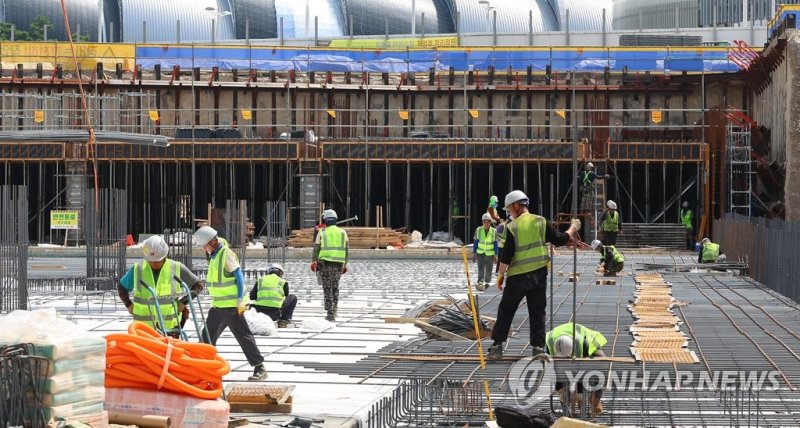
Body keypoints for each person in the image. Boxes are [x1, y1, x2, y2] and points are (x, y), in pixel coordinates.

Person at [488, 190, 580, 359]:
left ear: (516, 206)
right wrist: (573, 228)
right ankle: (538, 348)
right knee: (537, 312)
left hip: (517, 278)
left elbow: (506, 255)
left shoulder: (513, 227)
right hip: (538, 276)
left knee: (506, 310)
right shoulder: (541, 221)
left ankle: (497, 347)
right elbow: (560, 240)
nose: (509, 213)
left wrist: (500, 276)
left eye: (509, 209)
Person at [193, 226, 267, 381]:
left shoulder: (226, 254)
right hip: (218, 306)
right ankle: (203, 367)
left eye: (205, 245)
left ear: (213, 241)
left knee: (243, 335)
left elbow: (238, 277)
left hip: (232, 306)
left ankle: (259, 367)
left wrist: (240, 300)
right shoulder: (214, 255)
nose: (204, 248)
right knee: (207, 337)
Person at [117, 235, 202, 337]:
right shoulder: (138, 269)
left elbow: (198, 285)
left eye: (158, 260)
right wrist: (128, 304)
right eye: (151, 260)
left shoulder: (176, 268)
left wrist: (183, 302)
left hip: (170, 328)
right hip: (143, 329)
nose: (154, 263)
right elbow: (121, 286)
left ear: (165, 255)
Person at [546, 322, 608, 415]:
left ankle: (596, 399)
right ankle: (565, 405)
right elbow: (555, 372)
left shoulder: (582, 344)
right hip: (565, 337)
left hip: (589, 340)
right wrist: (562, 394)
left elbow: (583, 370)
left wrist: (580, 394)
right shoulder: (548, 343)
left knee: (601, 365)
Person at [311, 209, 349, 322]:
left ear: (325, 220)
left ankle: (330, 313)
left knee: (327, 288)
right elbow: (346, 249)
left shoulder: (322, 232)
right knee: (335, 286)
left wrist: (313, 261)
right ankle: (335, 308)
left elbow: (316, 248)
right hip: (338, 265)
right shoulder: (343, 232)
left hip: (325, 264)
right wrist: (345, 263)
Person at [250, 263, 297, 328]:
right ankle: (283, 321)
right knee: (292, 297)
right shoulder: (283, 282)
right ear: (280, 273)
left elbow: (252, 297)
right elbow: (286, 296)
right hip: (275, 314)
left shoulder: (260, 280)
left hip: (258, 312)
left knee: (246, 304)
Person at [472, 213, 498, 292]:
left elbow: (495, 243)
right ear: (482, 222)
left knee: (489, 269)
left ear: (490, 222)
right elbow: (476, 242)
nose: (486, 223)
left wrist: (496, 254)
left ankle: (487, 283)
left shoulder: (494, 231)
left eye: (488, 222)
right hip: (480, 253)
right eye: (484, 222)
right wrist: (474, 252)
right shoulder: (479, 230)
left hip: (490, 254)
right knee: (480, 268)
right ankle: (480, 282)